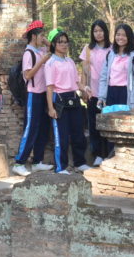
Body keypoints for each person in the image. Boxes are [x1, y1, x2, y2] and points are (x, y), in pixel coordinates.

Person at [45, 30, 91, 174]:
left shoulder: (70, 61)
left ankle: (80, 162)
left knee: (78, 133)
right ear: (53, 44)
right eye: (60, 42)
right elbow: (49, 87)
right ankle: (61, 166)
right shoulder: (51, 63)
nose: (64, 45)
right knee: (62, 136)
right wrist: (50, 108)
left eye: (66, 42)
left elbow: (76, 82)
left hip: (73, 98)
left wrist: (85, 89)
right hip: (59, 99)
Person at [12, 20, 53, 176]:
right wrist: (41, 62)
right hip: (33, 94)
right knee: (30, 129)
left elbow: (53, 49)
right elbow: (28, 75)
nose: (44, 38)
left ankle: (37, 161)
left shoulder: (40, 50)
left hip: (43, 94)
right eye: (41, 35)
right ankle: (19, 162)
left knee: (43, 128)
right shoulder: (28, 53)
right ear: (34, 36)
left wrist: (45, 41)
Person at [79, 20, 111, 166]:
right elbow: (84, 71)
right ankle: (97, 154)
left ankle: (109, 155)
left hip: (108, 92)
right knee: (94, 125)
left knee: (108, 124)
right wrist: (84, 90)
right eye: (95, 31)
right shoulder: (88, 48)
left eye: (101, 30)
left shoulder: (112, 48)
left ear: (106, 31)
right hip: (93, 92)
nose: (98, 33)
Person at [96, 24, 134, 110]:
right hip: (110, 93)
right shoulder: (110, 54)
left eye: (124, 35)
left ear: (129, 37)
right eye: (118, 34)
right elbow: (103, 77)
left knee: (124, 122)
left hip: (126, 94)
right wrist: (102, 97)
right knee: (110, 121)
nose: (120, 37)